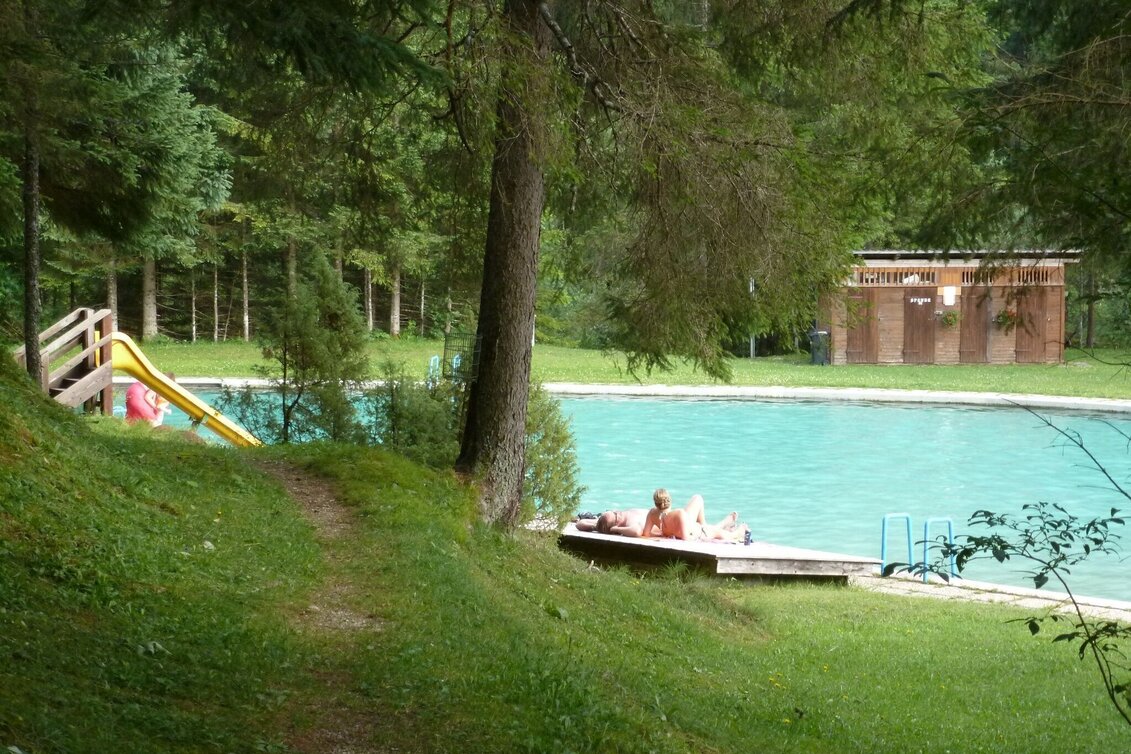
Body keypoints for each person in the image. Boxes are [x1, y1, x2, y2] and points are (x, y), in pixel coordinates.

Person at [640, 488, 748, 543]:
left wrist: (663, 535)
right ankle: (738, 530)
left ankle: (725, 523)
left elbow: (646, 534)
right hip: (700, 532)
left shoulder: (652, 513)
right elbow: (686, 539)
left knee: (698, 499)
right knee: (723, 534)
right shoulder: (679, 513)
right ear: (670, 500)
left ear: (655, 503)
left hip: (693, 528)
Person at [575, 508, 655, 537]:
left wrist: (617, 529)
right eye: (616, 515)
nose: (617, 513)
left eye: (615, 513)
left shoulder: (630, 519)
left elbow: (636, 531)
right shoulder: (621, 519)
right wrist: (595, 527)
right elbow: (580, 524)